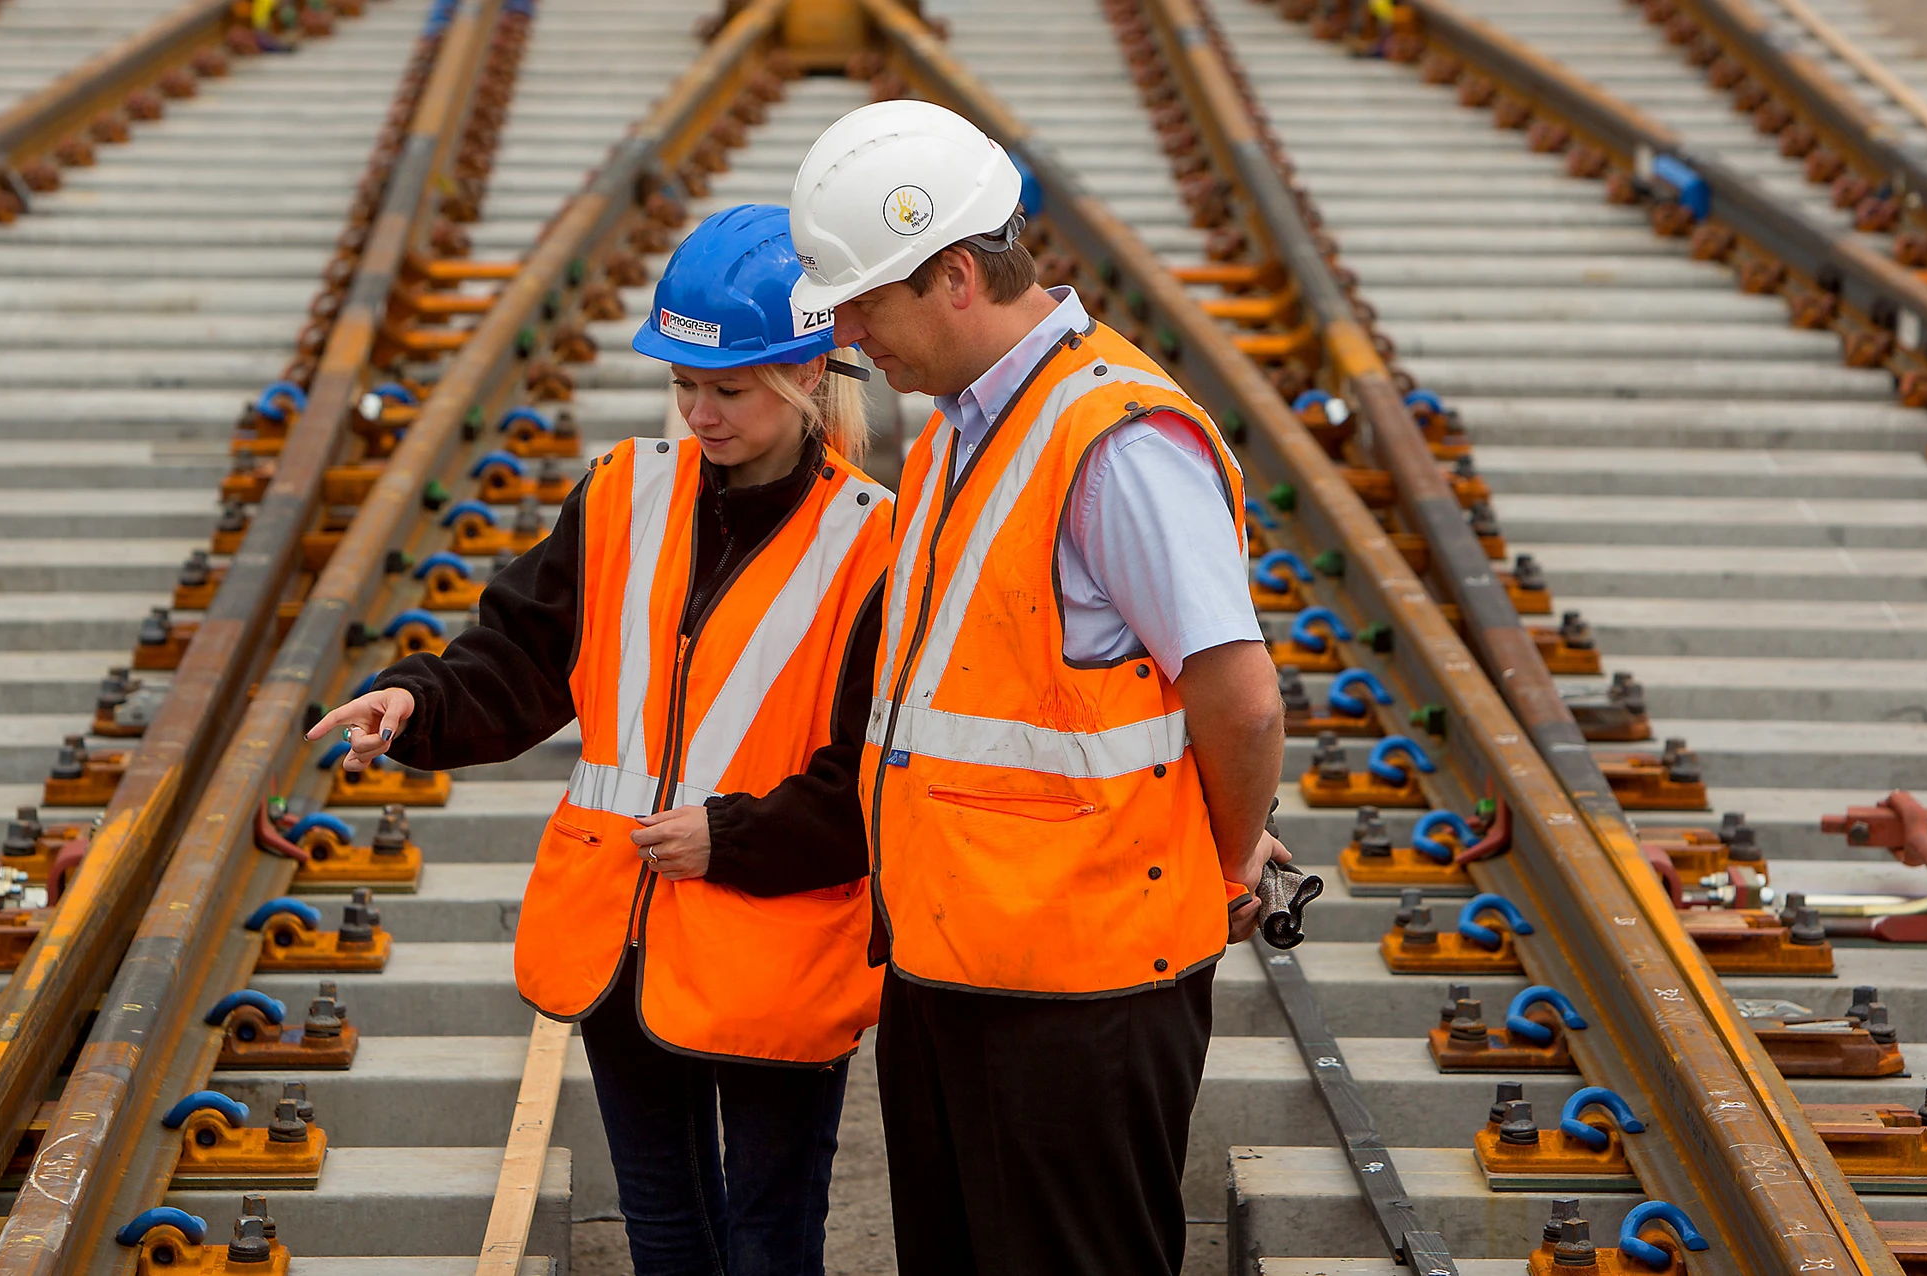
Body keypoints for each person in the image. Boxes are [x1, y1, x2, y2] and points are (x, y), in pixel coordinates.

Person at [306, 203, 893, 1276]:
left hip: (775, 947)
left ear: (810, 376)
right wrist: (414, 703)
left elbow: (875, 781)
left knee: (770, 1244)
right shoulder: (625, 492)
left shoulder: (875, 543)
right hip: (620, 934)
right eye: (683, 386)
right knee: (665, 1232)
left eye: (727, 390)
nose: (699, 414)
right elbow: (524, 659)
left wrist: (732, 836)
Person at [787, 101, 1289, 1274]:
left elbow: (1241, 698)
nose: (851, 339)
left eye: (867, 304)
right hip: (954, 961)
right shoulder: (960, 427)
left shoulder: (1115, 438)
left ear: (956, 275)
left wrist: (1220, 867)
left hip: (1083, 987)